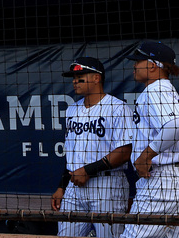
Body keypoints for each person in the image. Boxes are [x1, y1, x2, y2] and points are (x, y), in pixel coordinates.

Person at [121, 41, 179, 238]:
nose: (134, 65)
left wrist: (145, 157)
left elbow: (177, 125)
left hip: (162, 184)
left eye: (138, 61)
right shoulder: (172, 95)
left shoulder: (156, 90)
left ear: (153, 65)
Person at [51, 58, 133, 238]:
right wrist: (61, 186)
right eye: (73, 77)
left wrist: (88, 170)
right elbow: (73, 154)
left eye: (80, 76)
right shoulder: (72, 110)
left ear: (96, 78)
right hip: (74, 185)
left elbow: (125, 152)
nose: (75, 81)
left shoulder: (118, 108)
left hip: (107, 185)